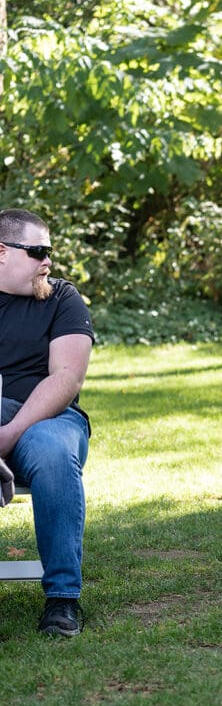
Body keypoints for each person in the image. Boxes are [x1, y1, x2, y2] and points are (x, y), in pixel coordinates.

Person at [0, 209, 94, 635]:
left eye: (49, 252)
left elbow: (66, 378)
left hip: (47, 418)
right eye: (37, 251)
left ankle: (62, 599)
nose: (48, 262)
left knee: (55, 454)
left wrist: (8, 435)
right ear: (2, 253)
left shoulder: (62, 298)